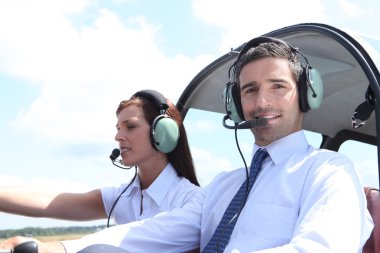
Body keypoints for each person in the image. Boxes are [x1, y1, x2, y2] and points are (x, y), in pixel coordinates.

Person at [2, 37, 374, 253]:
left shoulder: (328, 171)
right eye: (250, 90)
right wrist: (68, 248)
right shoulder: (224, 186)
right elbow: (153, 231)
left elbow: (322, 248)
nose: (261, 102)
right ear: (236, 104)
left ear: (307, 94)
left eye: (278, 86)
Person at [0, 89, 200, 235]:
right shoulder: (124, 197)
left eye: (130, 126)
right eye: (118, 128)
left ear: (164, 133)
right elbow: (49, 202)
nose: (118, 136)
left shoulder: (190, 201)